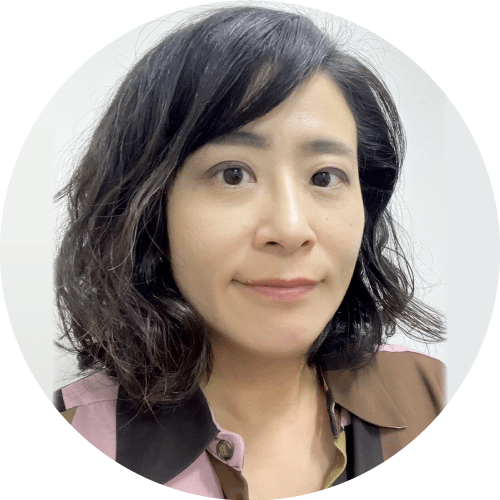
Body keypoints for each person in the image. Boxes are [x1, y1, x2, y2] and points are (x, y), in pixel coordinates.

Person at [53, 5, 446, 499]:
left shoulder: (435, 396)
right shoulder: (70, 444)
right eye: (233, 174)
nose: (290, 229)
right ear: (149, 208)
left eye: (325, 177)